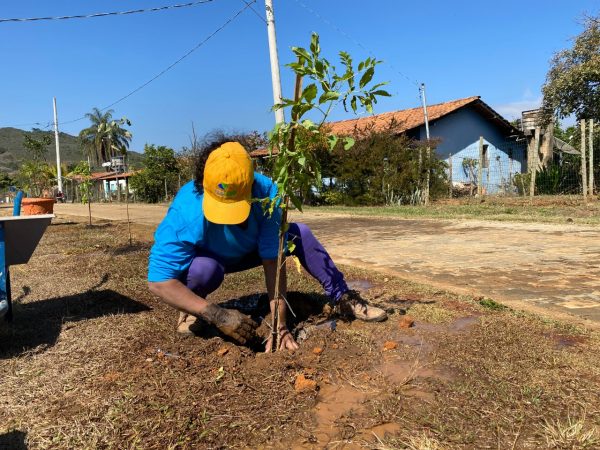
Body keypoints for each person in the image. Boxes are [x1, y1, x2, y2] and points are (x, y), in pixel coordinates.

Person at [148, 140, 387, 352]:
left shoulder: (267, 194)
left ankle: (343, 297)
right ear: (203, 183)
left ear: (251, 184)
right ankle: (192, 309)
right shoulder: (185, 211)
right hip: (212, 259)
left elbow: (273, 261)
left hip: (252, 251)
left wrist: (279, 325)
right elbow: (159, 282)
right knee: (204, 270)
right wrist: (215, 314)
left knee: (300, 233)